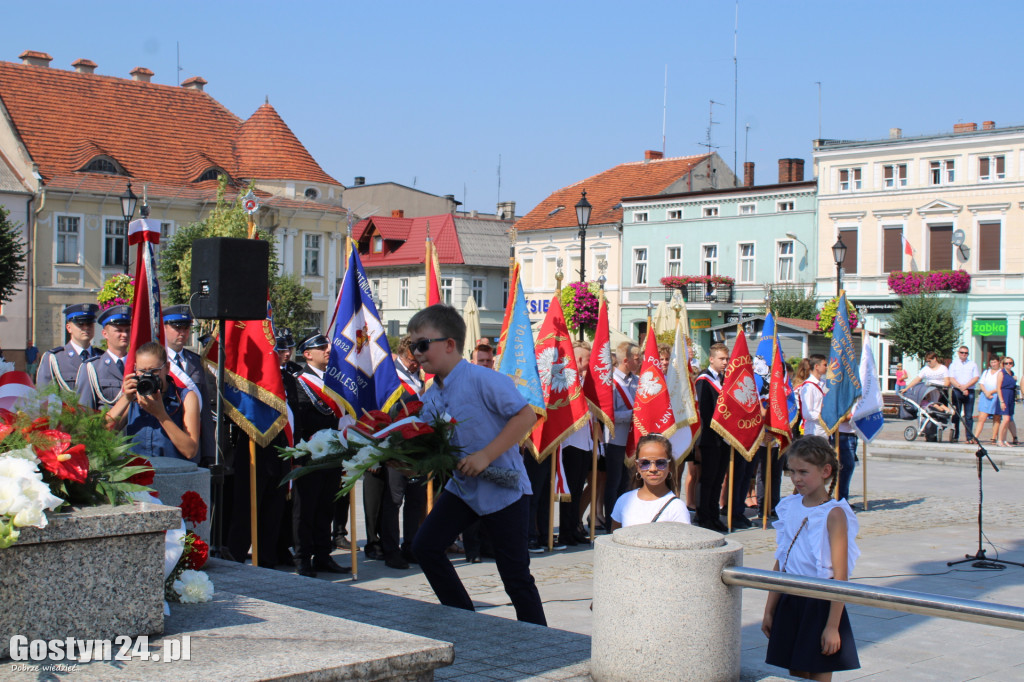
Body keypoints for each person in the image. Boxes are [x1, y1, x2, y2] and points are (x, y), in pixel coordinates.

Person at [408, 304, 546, 626]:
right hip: (464, 489)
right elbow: (432, 444)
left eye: (423, 345)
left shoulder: (484, 378)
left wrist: (486, 454)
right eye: (413, 346)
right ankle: (464, 620)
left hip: (505, 490)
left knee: (515, 576)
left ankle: (542, 641)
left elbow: (526, 416)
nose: (417, 353)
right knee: (426, 546)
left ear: (450, 344)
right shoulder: (430, 395)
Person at [762, 436, 860, 680]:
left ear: (825, 471)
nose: (796, 479)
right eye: (792, 472)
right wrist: (769, 609)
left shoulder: (834, 514)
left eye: (804, 472)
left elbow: (840, 576)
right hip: (790, 598)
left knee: (818, 669)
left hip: (820, 602)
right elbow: (781, 561)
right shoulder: (789, 505)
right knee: (795, 670)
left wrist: (832, 625)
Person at [291, 332, 350, 577]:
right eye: (321, 347)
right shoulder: (300, 382)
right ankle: (303, 557)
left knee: (327, 507)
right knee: (306, 509)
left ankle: (323, 555)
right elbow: (302, 419)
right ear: (307, 354)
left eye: (327, 346)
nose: (328, 350)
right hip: (310, 455)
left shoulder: (334, 381)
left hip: (332, 454)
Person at [105, 342, 200, 461]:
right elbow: (103, 434)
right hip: (137, 474)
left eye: (154, 371)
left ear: (167, 368)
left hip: (172, 474)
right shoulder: (133, 398)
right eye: (142, 371)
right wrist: (126, 398)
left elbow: (190, 451)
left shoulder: (185, 397)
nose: (147, 376)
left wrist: (161, 415)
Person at [380, 335, 428, 569]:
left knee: (416, 500)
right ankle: (391, 550)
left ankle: (411, 545)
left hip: (417, 449)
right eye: (412, 358)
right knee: (394, 500)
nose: (416, 363)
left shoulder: (417, 377)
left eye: (419, 359)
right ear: (402, 353)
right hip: (396, 450)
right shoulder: (391, 377)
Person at [163, 305, 213, 460]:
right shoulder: (156, 360)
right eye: (177, 328)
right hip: (165, 439)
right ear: (163, 327)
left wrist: (209, 451)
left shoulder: (196, 361)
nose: (183, 332)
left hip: (193, 441)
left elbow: (204, 411)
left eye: (186, 328)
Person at [609, 434, 689, 529]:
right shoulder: (623, 501)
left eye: (660, 463)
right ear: (637, 466)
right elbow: (615, 537)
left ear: (670, 466)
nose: (653, 469)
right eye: (645, 463)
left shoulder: (677, 508)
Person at [557, 341, 594, 545]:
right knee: (569, 491)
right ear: (578, 359)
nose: (590, 365)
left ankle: (574, 527)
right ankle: (565, 530)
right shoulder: (567, 380)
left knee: (579, 489)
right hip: (570, 442)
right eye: (588, 361)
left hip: (585, 442)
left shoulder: (585, 381)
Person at [605, 341, 640, 531]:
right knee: (614, 483)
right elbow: (608, 415)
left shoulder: (637, 380)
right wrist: (633, 414)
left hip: (633, 441)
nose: (640, 361)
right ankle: (612, 521)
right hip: (616, 440)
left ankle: (626, 518)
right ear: (625, 360)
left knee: (628, 483)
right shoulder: (611, 383)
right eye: (636, 358)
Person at [695, 342, 730, 532]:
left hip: (724, 438)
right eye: (721, 359)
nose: (725, 362)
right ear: (712, 359)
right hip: (709, 439)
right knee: (707, 479)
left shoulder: (725, 380)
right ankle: (703, 516)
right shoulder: (704, 380)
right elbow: (703, 412)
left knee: (718, 479)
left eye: (727, 359)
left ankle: (714, 514)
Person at [76, 306, 132, 410]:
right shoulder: (92, 368)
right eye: (119, 330)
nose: (124, 334)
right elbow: (84, 410)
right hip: (107, 425)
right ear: (105, 334)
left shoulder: (137, 365)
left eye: (127, 330)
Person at [36, 303, 102, 392]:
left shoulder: (101, 357)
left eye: (89, 324)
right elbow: (44, 394)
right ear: (69, 328)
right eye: (81, 324)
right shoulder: (54, 358)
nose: (86, 328)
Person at [948, 346, 979, 443]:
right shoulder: (954, 364)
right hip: (957, 391)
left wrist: (965, 387)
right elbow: (951, 378)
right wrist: (961, 388)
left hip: (969, 390)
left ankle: (969, 437)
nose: (964, 354)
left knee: (968, 416)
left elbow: (976, 377)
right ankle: (955, 436)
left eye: (966, 353)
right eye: (962, 352)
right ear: (958, 353)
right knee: (957, 414)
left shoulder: (972, 364)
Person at [974, 356, 1004, 444]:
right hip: (985, 396)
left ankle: (993, 438)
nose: (993, 364)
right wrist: (986, 392)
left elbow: (1000, 385)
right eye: (991, 362)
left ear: (998, 362)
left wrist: (991, 392)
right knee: (982, 418)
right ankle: (975, 437)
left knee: (996, 417)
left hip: (996, 396)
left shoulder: (1001, 372)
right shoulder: (986, 372)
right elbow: (981, 383)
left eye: (995, 362)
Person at [798, 355, 828, 438]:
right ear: (816, 366)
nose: (827, 367)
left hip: (824, 431)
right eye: (824, 365)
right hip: (814, 432)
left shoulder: (824, 384)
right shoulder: (808, 387)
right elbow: (807, 413)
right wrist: (824, 414)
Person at [996, 357, 1018, 448]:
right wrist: (1001, 401)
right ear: (1003, 364)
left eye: (1010, 363)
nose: (1009, 365)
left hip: (1011, 397)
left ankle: (1004, 440)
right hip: (1004, 396)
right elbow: (998, 387)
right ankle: (999, 440)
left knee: (1008, 420)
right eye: (1006, 363)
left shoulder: (1012, 374)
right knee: (1005, 419)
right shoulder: (1001, 373)